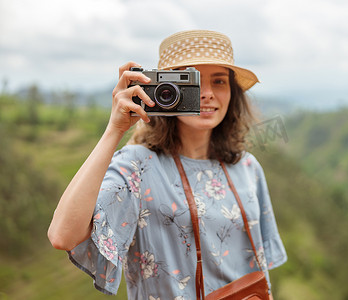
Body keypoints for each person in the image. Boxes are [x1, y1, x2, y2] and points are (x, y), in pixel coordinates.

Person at [48, 29, 287, 300]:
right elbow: (62, 236)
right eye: (193, 82)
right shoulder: (137, 165)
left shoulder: (247, 167)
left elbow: (260, 267)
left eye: (219, 81)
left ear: (232, 92)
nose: (207, 93)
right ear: (165, 89)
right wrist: (115, 129)